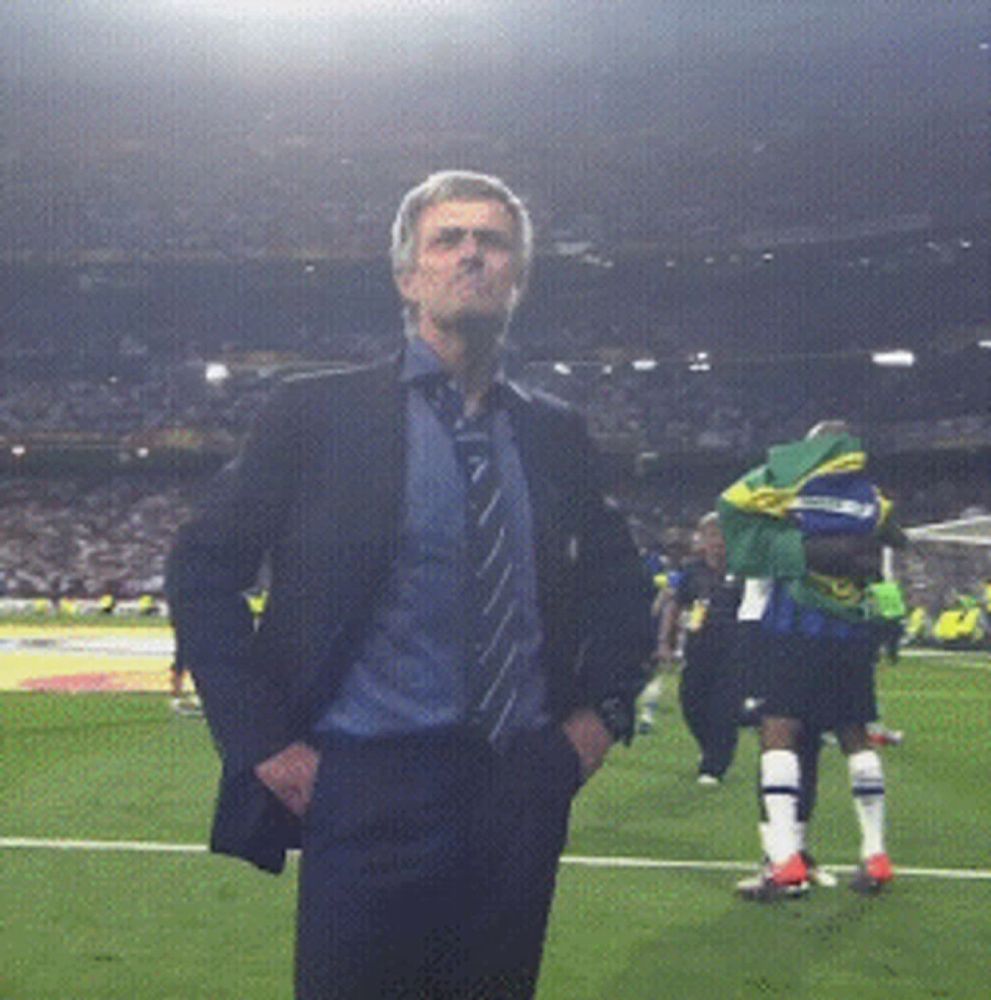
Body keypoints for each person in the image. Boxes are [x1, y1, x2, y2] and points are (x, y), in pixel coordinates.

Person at [166, 170, 654, 999]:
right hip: (364, 786)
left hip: (519, 787)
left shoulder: (553, 431)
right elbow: (202, 565)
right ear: (407, 277)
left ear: (518, 277)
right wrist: (261, 742)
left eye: (492, 242)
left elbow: (621, 585)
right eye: (447, 240)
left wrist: (600, 720)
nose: (472, 255)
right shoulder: (318, 415)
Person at [718, 420, 906, 900]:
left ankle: (784, 861)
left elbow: (737, 510)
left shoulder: (789, 490)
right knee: (855, 738)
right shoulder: (873, 499)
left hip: (794, 629)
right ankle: (875, 853)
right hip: (850, 634)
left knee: (778, 733)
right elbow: (885, 557)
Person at [656, 512, 742, 783]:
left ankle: (714, 766)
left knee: (724, 708)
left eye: (723, 535)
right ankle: (709, 747)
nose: (718, 542)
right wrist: (664, 643)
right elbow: (675, 605)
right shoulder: (692, 571)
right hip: (698, 646)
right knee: (691, 703)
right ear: (702, 540)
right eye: (712, 535)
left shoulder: (744, 571)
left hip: (734, 650)